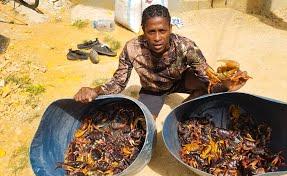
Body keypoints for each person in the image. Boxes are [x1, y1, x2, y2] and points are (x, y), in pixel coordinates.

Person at [74, 5, 246, 119]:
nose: (157, 38)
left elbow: (208, 75)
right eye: (151, 31)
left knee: (206, 87)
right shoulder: (132, 49)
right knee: (144, 123)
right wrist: (94, 90)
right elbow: (118, 83)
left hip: (180, 81)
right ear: (144, 30)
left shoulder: (186, 47)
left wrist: (226, 83)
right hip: (153, 90)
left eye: (162, 31)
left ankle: (184, 110)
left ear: (170, 28)